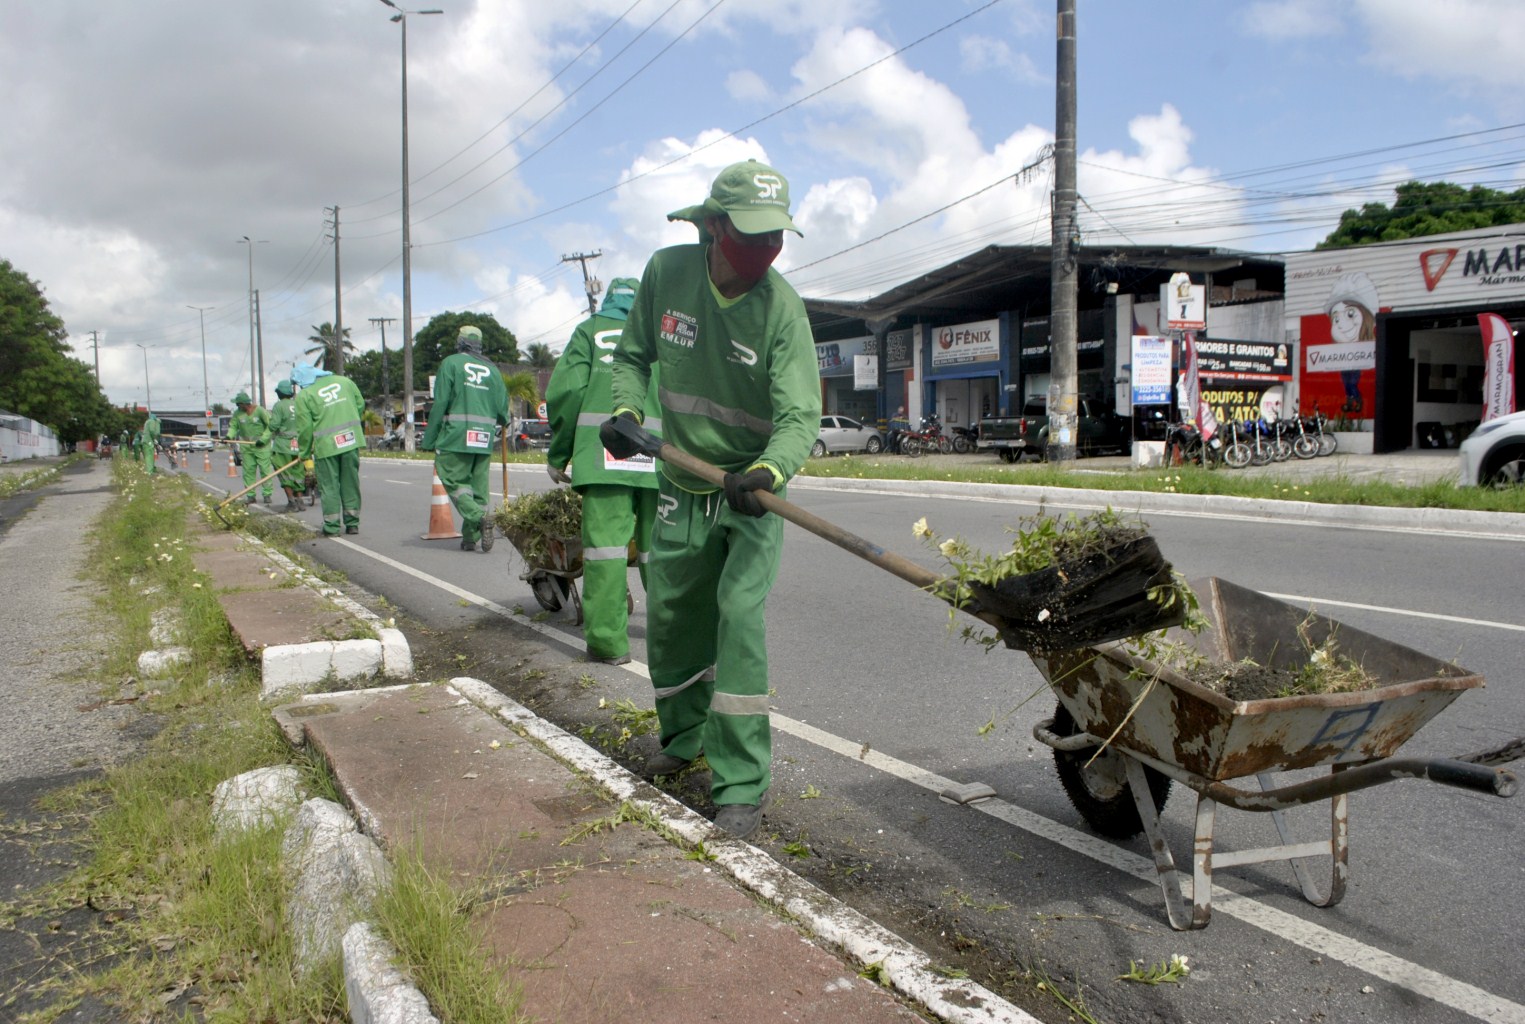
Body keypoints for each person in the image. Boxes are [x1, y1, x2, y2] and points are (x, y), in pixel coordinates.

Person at [602, 158, 821, 839]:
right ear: (713, 227)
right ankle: (681, 738)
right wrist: (625, 408)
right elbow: (632, 357)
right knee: (672, 618)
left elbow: (798, 418)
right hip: (680, 482)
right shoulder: (667, 274)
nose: (764, 251)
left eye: (774, 238)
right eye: (750, 236)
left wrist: (770, 472)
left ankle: (741, 783)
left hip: (750, 493)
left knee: (738, 620)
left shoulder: (780, 308)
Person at [545, 278, 661, 665]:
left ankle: (609, 645)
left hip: (604, 453)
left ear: (609, 299)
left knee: (606, 552)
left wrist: (560, 453)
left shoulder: (589, 332)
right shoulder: (661, 333)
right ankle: (673, 635)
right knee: (659, 550)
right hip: (660, 458)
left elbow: (566, 393)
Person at [420, 325, 511, 551]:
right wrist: (504, 421)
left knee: (451, 477)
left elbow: (441, 402)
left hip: (456, 436)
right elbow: (503, 411)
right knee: (478, 488)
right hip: (484, 437)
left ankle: (479, 517)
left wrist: (429, 439)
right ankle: (470, 538)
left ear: (460, 342)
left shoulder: (451, 363)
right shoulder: (493, 370)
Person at [293, 363, 366, 536]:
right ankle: (352, 523)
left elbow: (304, 429)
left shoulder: (305, 395)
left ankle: (332, 527)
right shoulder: (345, 382)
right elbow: (360, 404)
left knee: (329, 486)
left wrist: (304, 452)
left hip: (326, 447)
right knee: (350, 482)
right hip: (350, 440)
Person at [268, 379, 307, 512]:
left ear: (279, 393)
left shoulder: (279, 406)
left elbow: (274, 425)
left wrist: (264, 437)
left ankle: (291, 502)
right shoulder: (298, 404)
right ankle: (300, 501)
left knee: (284, 472)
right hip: (298, 444)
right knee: (298, 473)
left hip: (283, 445)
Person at [229, 392, 274, 504]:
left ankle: (267, 494)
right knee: (248, 471)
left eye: (238, 404)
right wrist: (229, 435)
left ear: (244, 404)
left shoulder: (260, 411)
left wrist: (263, 439)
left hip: (261, 446)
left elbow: (271, 426)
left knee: (265, 471)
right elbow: (233, 426)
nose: (237, 406)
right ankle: (250, 495)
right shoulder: (237, 414)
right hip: (246, 447)